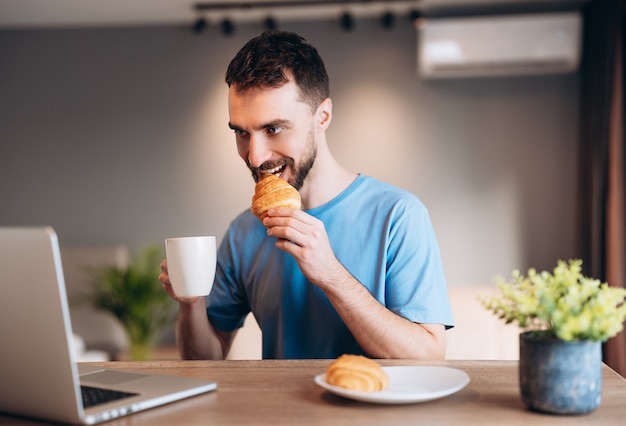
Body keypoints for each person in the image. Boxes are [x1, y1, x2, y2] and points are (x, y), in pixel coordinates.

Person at [160, 30, 454, 360]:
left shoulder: (398, 215)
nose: (255, 157)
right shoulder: (244, 232)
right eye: (242, 132)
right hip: (277, 412)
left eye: (273, 129)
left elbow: (429, 356)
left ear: (322, 117)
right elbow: (205, 362)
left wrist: (331, 274)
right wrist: (192, 303)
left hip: (373, 410)